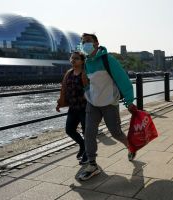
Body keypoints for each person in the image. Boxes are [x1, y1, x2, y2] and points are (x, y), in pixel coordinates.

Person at [78, 33, 137, 181]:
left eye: (88, 41)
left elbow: (122, 79)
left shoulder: (107, 59)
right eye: (83, 42)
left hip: (109, 102)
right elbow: (88, 84)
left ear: (96, 43)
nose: (85, 44)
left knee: (116, 133)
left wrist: (129, 101)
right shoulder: (86, 63)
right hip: (93, 103)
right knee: (89, 132)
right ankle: (92, 165)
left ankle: (130, 146)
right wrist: (86, 91)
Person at [56, 51, 87, 163]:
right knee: (69, 129)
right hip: (73, 107)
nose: (73, 60)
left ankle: (88, 153)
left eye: (77, 58)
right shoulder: (69, 73)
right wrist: (61, 102)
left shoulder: (86, 72)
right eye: (72, 58)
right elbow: (64, 90)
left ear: (82, 61)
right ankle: (82, 145)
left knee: (86, 131)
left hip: (85, 107)